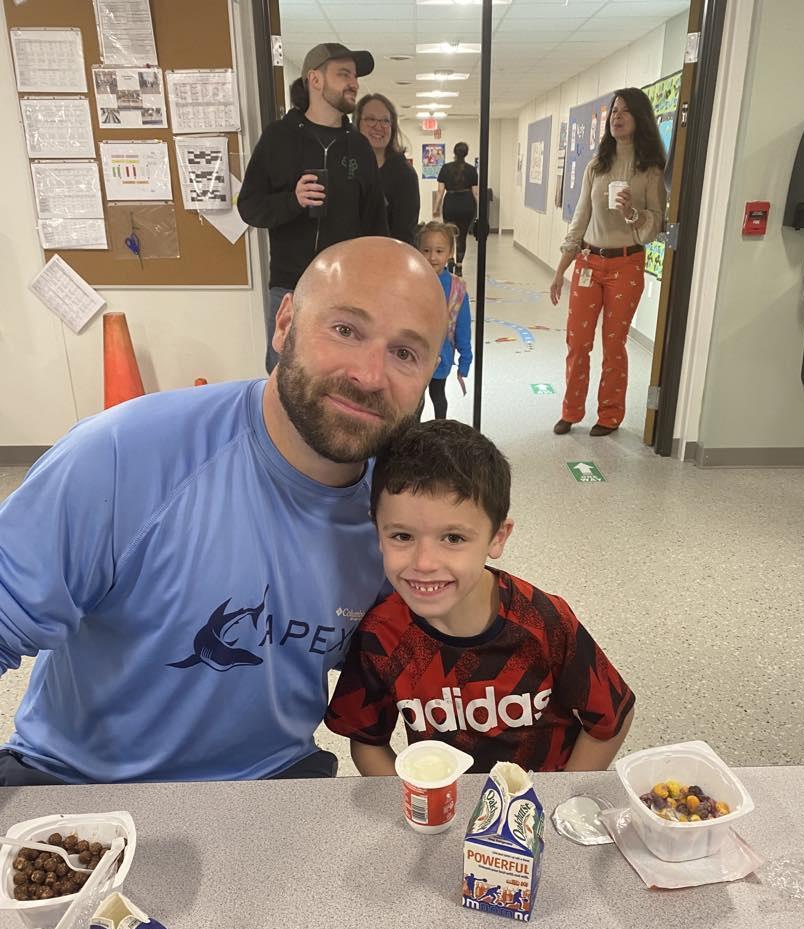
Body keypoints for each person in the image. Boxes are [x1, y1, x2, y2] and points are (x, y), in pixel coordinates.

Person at [0, 238, 448, 787]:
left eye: (405, 353)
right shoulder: (123, 456)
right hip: (77, 780)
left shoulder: (402, 515)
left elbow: (431, 655)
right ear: (284, 324)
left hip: (269, 779)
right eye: (346, 330)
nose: (370, 374)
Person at [325, 419, 636, 775]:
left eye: (453, 538)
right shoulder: (381, 635)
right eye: (401, 536)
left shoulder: (544, 621)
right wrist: (420, 801)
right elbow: (367, 741)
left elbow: (612, 717)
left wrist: (559, 799)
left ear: (497, 538)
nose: (424, 563)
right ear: (377, 531)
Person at [238, 42, 389, 374]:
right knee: (283, 374)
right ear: (315, 79)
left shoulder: (359, 147)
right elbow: (249, 207)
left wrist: (377, 285)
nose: (354, 83)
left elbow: (376, 225)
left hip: (346, 288)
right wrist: (292, 201)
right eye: (344, 74)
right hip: (289, 286)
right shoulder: (279, 137)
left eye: (355, 76)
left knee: (338, 376)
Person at [549, 88, 666, 436]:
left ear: (640, 119)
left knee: (614, 345)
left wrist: (631, 213)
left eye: (625, 112)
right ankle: (570, 411)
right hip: (588, 262)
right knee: (577, 342)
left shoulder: (650, 171)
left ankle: (610, 415)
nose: (617, 117)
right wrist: (560, 270)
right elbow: (580, 219)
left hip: (626, 265)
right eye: (614, 111)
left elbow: (654, 226)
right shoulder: (596, 166)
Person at [416, 221, 471, 419]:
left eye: (439, 251)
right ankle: (412, 436)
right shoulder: (411, 282)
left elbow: (463, 327)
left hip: (442, 357)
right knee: (415, 400)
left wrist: (465, 359)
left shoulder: (457, 288)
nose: (432, 257)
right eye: (426, 250)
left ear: (450, 253)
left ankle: (441, 430)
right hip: (414, 357)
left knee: (438, 395)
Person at [355, 93, 420, 245]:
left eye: (385, 121)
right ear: (357, 123)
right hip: (347, 257)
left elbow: (404, 235)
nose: (378, 126)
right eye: (370, 119)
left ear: (393, 127)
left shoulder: (404, 175)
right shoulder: (346, 167)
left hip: (388, 259)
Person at [436, 142, 478, 278]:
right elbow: (476, 193)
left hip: (451, 204)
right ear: (466, 153)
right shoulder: (472, 170)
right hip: (466, 204)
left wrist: (436, 207)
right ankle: (459, 266)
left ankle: (450, 260)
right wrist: (480, 210)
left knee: (449, 235)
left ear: (454, 152)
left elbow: (440, 191)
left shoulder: (446, 168)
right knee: (462, 236)